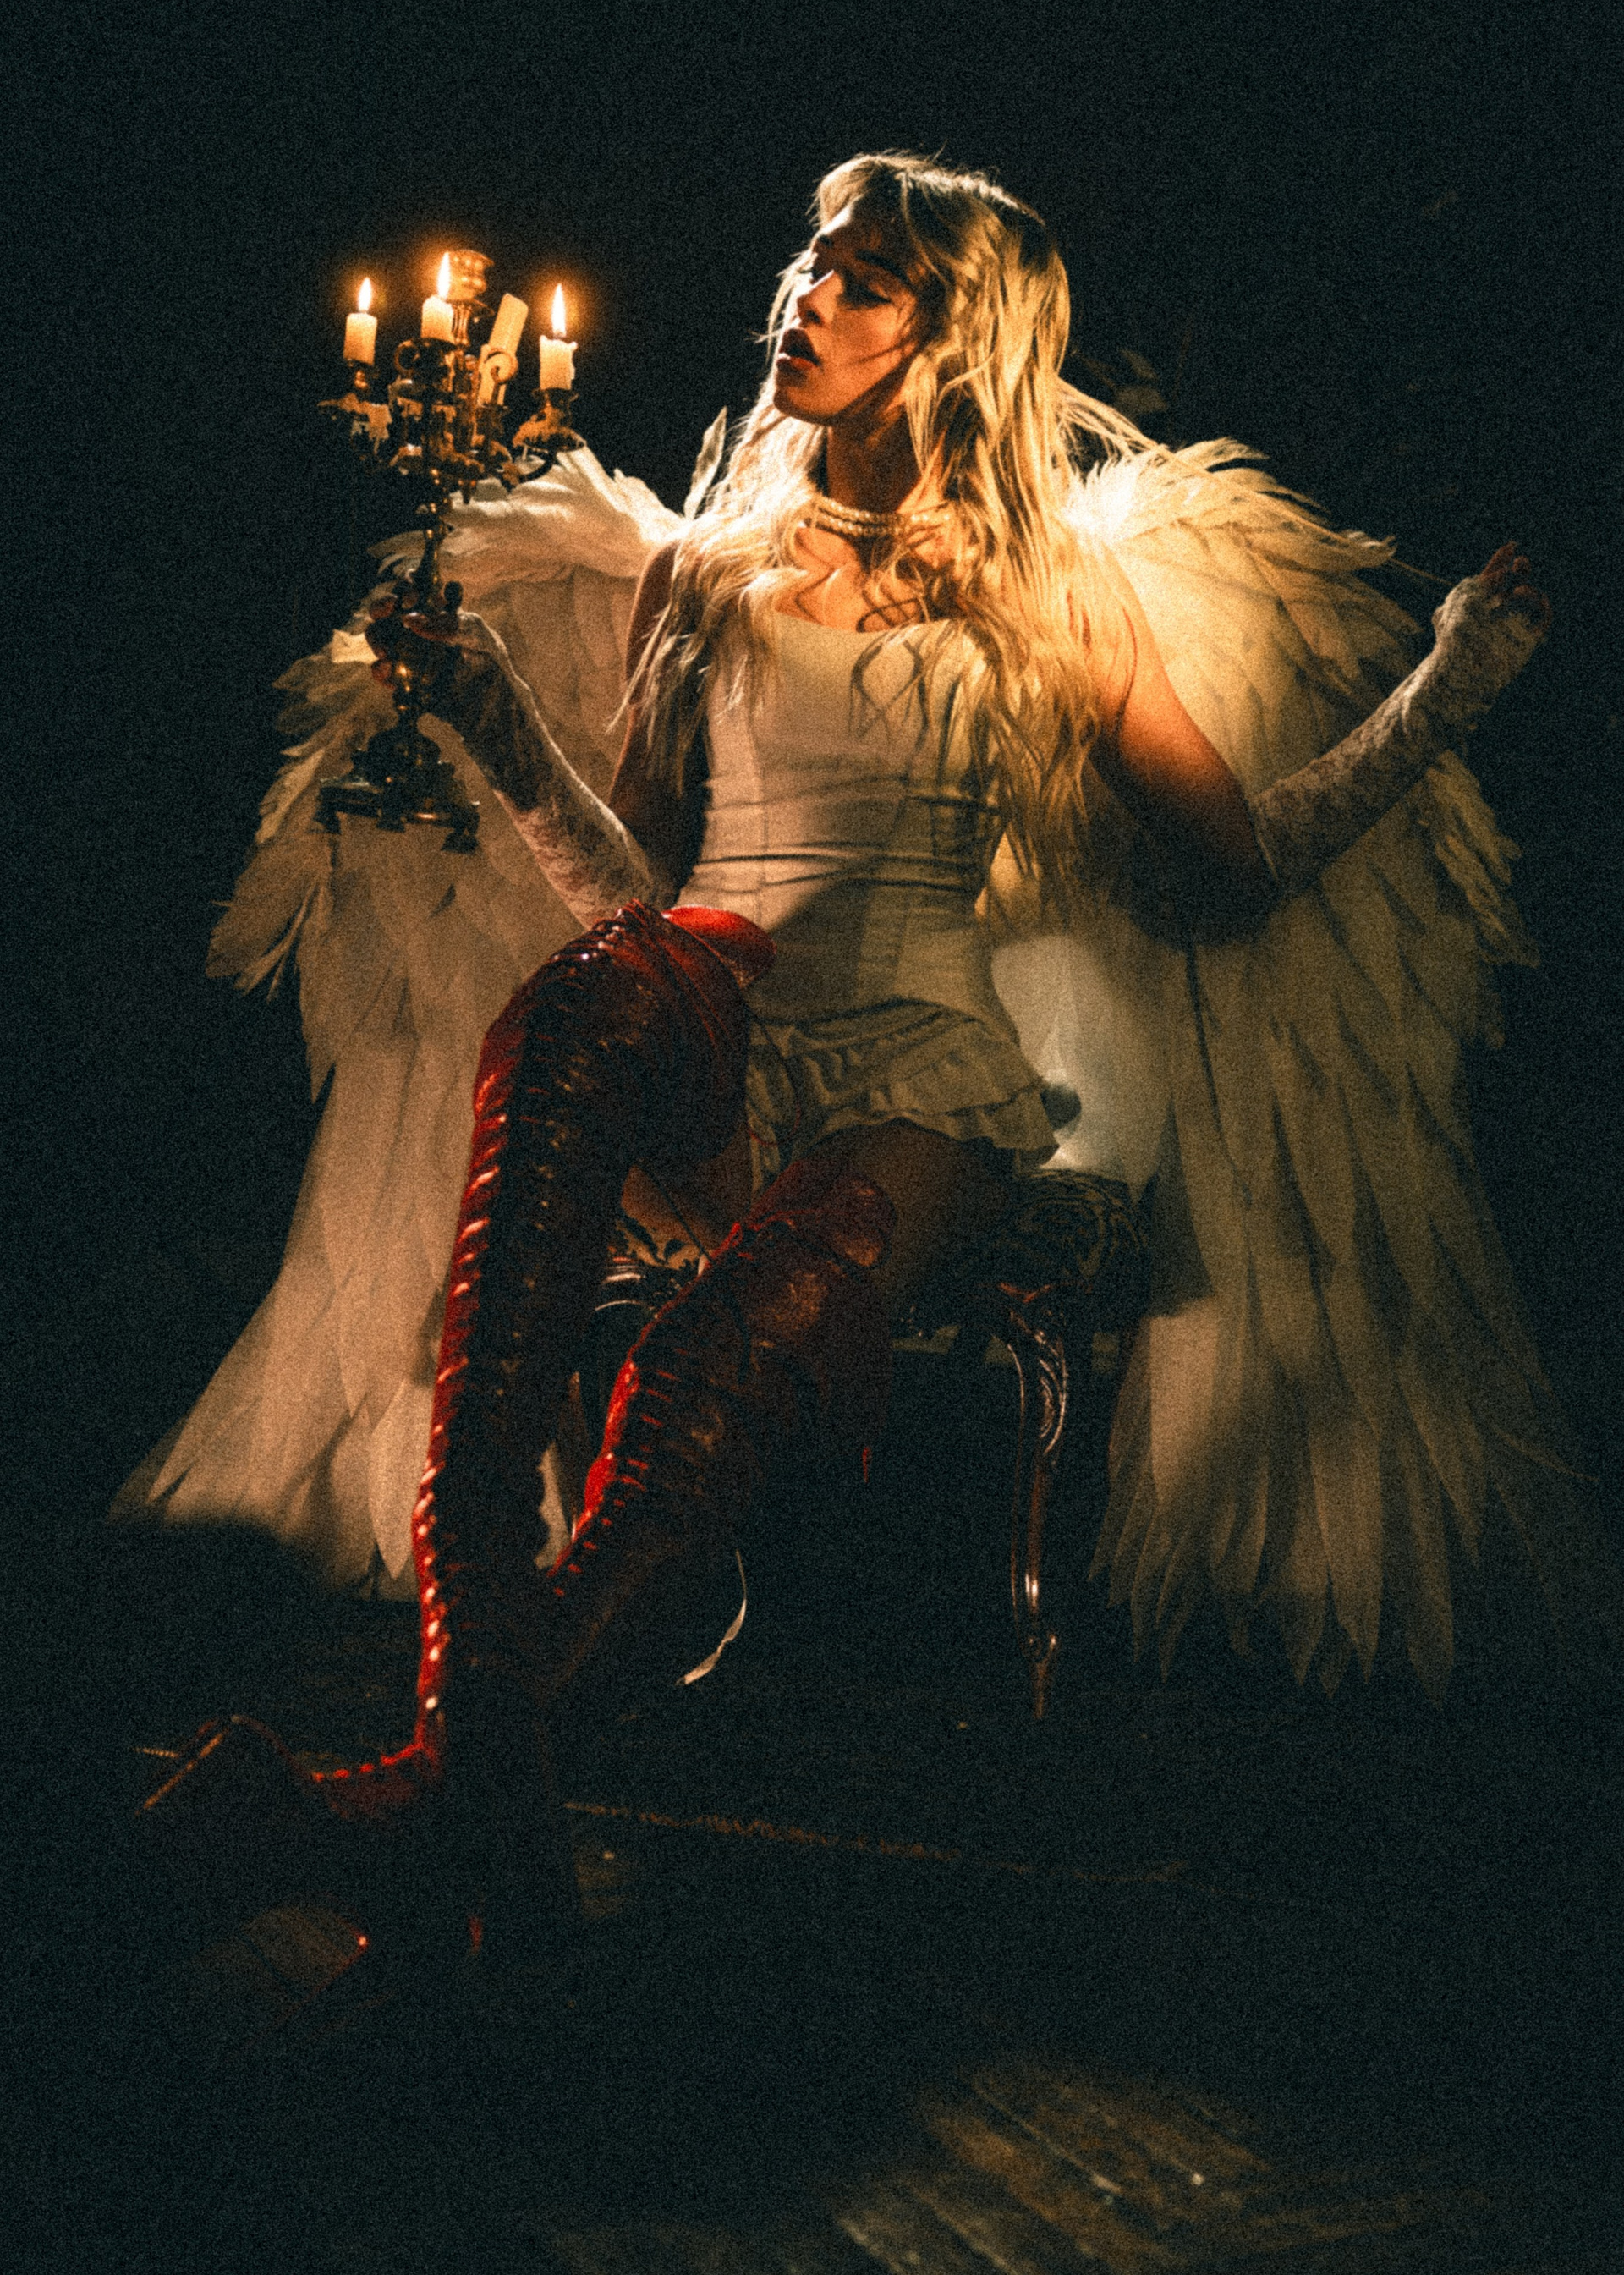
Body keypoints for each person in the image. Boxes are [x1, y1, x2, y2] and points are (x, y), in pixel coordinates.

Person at [142, 153, 1591, 1958]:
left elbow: (1235, 872)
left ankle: (431, 1803)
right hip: (710, 1032)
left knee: (712, 1364)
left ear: (952, 342)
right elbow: (639, 882)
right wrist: (491, 717)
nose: (805, 297)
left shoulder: (1048, 598)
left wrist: (1446, 688)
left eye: (865, 279)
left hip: (915, 1087)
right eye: (811, 261)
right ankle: (458, 1806)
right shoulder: (707, 574)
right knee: (591, 997)